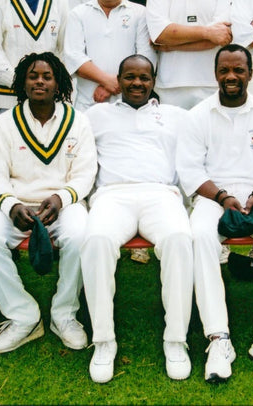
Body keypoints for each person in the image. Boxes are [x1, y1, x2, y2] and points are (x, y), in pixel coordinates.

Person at [176, 44, 253, 383]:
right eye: (224, 70)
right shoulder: (198, 115)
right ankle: (218, 338)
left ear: (250, 73)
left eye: (239, 70)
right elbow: (189, 170)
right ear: (215, 73)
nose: (231, 76)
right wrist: (222, 196)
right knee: (200, 236)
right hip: (213, 197)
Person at [0, 52, 96, 355]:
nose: (39, 81)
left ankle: (63, 314)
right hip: (16, 206)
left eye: (47, 76)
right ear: (22, 83)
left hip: (63, 205)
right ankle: (22, 315)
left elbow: (85, 173)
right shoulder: (4, 123)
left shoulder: (78, 121)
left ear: (59, 83)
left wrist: (61, 198)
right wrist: (11, 205)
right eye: (32, 76)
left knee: (81, 235)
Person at [81, 55, 192, 383]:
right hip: (112, 196)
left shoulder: (175, 116)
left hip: (161, 195)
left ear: (153, 81)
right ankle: (103, 341)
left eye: (144, 78)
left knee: (179, 239)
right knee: (97, 240)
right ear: (118, 80)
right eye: (130, 77)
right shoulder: (96, 115)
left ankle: (176, 340)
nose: (137, 83)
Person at [64, 0, 155, 112]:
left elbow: (146, 58)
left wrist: (112, 86)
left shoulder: (140, 13)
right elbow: (74, 58)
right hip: (89, 105)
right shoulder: (78, 14)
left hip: (130, 106)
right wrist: (107, 81)